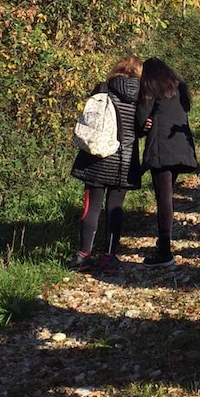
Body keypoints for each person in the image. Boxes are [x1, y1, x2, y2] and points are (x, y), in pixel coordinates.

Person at [70, 56, 143, 275]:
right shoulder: (142, 96)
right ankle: (108, 257)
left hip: (97, 159)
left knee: (91, 208)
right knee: (115, 210)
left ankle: (82, 255)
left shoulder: (103, 90)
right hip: (124, 161)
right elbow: (141, 128)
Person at [135, 57, 197, 267]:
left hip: (162, 147)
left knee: (164, 198)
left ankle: (165, 250)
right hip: (181, 147)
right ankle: (164, 244)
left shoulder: (150, 87)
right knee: (167, 194)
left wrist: (144, 125)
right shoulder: (178, 88)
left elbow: (140, 118)